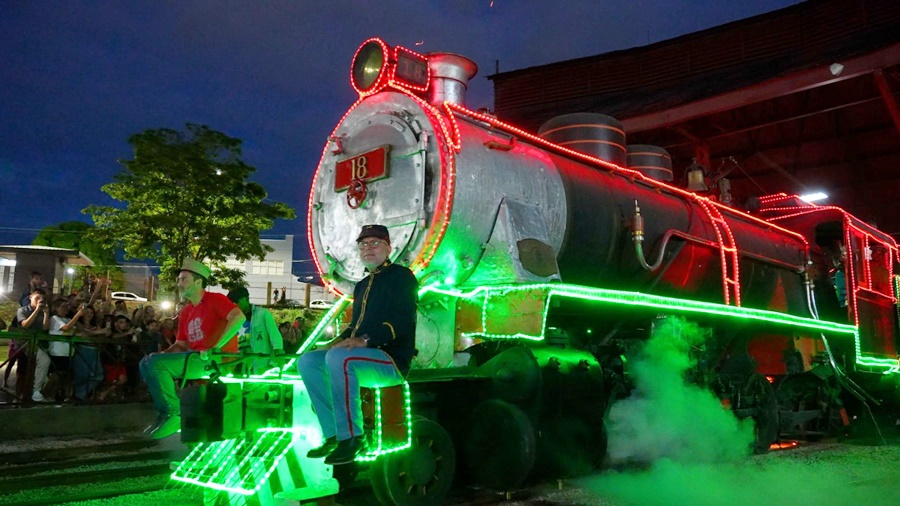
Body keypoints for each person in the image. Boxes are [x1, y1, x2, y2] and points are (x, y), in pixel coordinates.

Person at [297, 224, 417, 465]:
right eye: (363, 244)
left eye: (375, 243)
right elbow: (355, 327)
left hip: (390, 360)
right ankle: (332, 434)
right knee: (308, 361)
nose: (368, 248)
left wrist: (365, 340)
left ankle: (353, 438)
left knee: (340, 358)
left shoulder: (402, 276)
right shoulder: (362, 285)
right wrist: (333, 343)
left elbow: (402, 320)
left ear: (389, 248)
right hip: (363, 356)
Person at [139, 257, 245, 439]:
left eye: (183, 279)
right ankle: (168, 413)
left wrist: (216, 347)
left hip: (215, 360)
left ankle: (173, 413)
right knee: (147, 362)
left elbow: (239, 317)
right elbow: (180, 344)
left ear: (198, 282)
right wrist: (163, 355)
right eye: (179, 279)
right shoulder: (187, 311)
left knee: (155, 363)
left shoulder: (215, 299)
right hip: (196, 359)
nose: (178, 283)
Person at [227, 287, 283, 374]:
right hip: (238, 364)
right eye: (232, 303)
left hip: (261, 366)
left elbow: (276, 339)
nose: (235, 305)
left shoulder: (263, 314)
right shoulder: (231, 318)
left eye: (238, 302)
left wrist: (273, 364)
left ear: (246, 299)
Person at [14, 289, 53, 402]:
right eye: (37, 298)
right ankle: (18, 396)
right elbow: (25, 324)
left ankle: (35, 391)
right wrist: (36, 310)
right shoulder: (23, 310)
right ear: (31, 297)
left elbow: (45, 328)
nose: (40, 301)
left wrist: (46, 313)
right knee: (22, 372)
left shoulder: (43, 311)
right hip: (24, 345)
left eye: (42, 299)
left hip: (38, 344)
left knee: (42, 363)